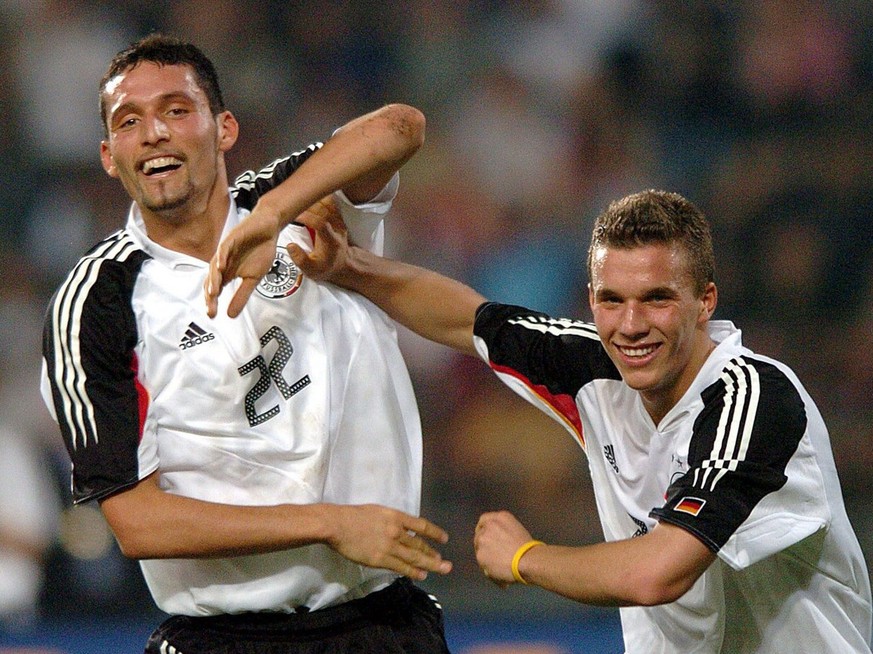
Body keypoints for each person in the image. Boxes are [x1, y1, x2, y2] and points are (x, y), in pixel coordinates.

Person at [207, 189, 873, 652]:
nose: (630, 324)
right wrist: (350, 266)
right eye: (611, 300)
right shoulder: (592, 364)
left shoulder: (750, 400)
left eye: (656, 300)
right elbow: (468, 318)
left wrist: (525, 559)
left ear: (705, 303)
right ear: (591, 300)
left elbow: (658, 572)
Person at [40, 33, 454, 654]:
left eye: (177, 110)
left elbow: (401, 127)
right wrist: (330, 525)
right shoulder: (95, 303)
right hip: (225, 636)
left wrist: (270, 214)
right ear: (108, 155)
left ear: (224, 127)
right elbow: (138, 522)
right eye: (130, 122)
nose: (153, 132)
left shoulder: (298, 202)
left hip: (384, 622)